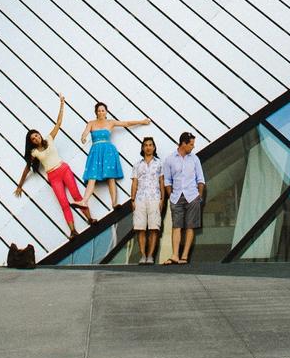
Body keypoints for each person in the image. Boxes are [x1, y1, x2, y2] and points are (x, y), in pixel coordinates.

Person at [14, 95, 93, 236]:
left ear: (39, 135)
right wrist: (20, 185)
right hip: (53, 176)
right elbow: (27, 168)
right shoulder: (34, 152)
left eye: (37, 135)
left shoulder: (49, 138)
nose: (36, 138)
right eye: (33, 139)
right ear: (32, 142)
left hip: (64, 169)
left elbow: (58, 123)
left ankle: (90, 219)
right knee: (63, 203)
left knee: (76, 196)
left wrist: (62, 104)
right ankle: (73, 230)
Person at [80, 102, 151, 208]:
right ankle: (84, 201)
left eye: (103, 110)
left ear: (106, 111)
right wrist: (83, 137)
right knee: (92, 176)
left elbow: (126, 123)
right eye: (99, 110)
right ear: (96, 112)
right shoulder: (91, 123)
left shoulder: (110, 122)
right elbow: (85, 132)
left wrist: (142, 121)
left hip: (108, 151)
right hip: (95, 151)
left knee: (111, 177)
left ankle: (114, 203)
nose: (101, 112)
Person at [159, 131, 206, 264]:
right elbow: (167, 180)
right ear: (183, 144)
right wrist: (171, 195)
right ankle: (175, 255)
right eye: (191, 144)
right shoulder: (169, 159)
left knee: (190, 227)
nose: (193, 147)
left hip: (192, 196)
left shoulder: (195, 159)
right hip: (176, 197)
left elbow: (201, 179)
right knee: (177, 226)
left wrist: (199, 196)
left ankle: (184, 256)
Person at [128, 137, 164, 265]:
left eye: (150, 145)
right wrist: (132, 199)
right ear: (143, 148)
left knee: (154, 228)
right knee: (140, 228)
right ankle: (143, 255)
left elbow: (161, 182)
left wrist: (162, 199)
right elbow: (134, 182)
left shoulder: (159, 163)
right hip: (140, 199)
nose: (148, 147)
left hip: (155, 198)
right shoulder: (137, 164)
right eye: (146, 145)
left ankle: (150, 256)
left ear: (154, 147)